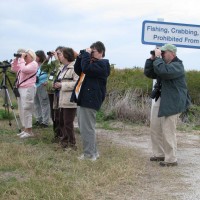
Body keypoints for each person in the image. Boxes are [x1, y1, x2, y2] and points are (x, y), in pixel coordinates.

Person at [144, 43, 191, 167]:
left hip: (173, 102)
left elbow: (163, 72)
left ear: (173, 53)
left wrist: (158, 59)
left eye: (164, 52)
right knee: (155, 127)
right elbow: (149, 73)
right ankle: (159, 153)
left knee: (168, 130)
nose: (162, 54)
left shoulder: (178, 66)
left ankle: (171, 159)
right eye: (162, 52)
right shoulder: (163, 64)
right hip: (162, 99)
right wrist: (151, 59)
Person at [71, 41, 110, 161]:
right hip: (84, 98)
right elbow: (79, 69)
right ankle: (93, 153)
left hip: (90, 99)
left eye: (93, 52)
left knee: (87, 128)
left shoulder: (103, 63)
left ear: (101, 52)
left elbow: (86, 68)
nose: (91, 54)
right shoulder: (90, 63)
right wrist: (80, 57)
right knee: (85, 128)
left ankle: (89, 155)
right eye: (90, 51)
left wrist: (87, 56)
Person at [53, 47, 79, 150]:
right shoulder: (63, 68)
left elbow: (77, 83)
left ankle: (72, 144)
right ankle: (64, 141)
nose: (60, 56)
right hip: (61, 98)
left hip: (69, 100)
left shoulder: (75, 68)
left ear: (67, 56)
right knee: (62, 122)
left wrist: (62, 85)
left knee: (68, 123)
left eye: (61, 54)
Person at [11, 49, 38, 138]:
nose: (25, 57)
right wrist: (16, 59)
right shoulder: (24, 63)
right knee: (22, 109)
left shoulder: (34, 64)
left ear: (31, 56)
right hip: (22, 88)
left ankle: (29, 131)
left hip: (28, 88)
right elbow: (14, 69)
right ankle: (25, 129)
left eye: (26, 55)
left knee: (27, 109)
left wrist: (22, 59)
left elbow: (24, 70)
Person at [40, 46, 63, 141]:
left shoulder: (64, 64)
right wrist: (48, 58)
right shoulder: (53, 63)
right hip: (50, 91)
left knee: (58, 114)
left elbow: (60, 71)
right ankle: (56, 135)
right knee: (53, 114)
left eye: (59, 53)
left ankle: (61, 134)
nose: (56, 55)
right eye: (56, 53)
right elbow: (43, 68)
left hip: (58, 93)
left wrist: (57, 60)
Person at [34, 50, 50, 128]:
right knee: (36, 103)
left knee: (44, 103)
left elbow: (51, 74)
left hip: (42, 85)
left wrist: (48, 81)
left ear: (40, 57)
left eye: (36, 56)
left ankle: (45, 122)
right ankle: (38, 119)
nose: (35, 58)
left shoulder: (46, 65)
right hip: (34, 85)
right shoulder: (34, 65)